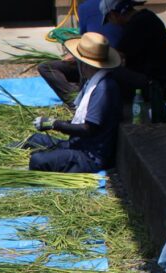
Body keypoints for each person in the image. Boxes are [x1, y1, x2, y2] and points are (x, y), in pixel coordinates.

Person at [23, 32, 121, 174]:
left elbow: (88, 128)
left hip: (89, 156)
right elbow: (80, 122)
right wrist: (57, 123)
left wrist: (55, 124)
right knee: (33, 140)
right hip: (77, 144)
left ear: (84, 64)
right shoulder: (92, 82)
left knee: (37, 160)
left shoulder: (102, 88)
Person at [37, 0, 124, 108]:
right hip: (108, 57)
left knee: (49, 67)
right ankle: (77, 98)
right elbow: (87, 40)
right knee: (48, 67)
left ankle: (77, 102)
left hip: (107, 59)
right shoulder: (113, 5)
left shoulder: (87, 7)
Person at [101, 0, 166, 98]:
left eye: (109, 19)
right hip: (165, 81)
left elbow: (116, 56)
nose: (112, 24)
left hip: (155, 85)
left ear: (113, 14)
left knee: (107, 72)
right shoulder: (147, 16)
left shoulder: (135, 25)